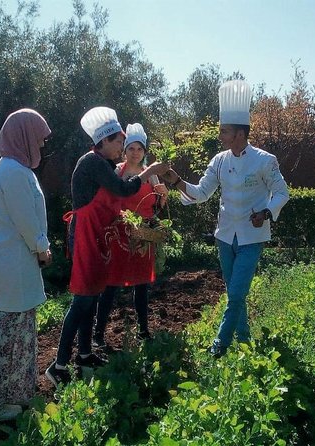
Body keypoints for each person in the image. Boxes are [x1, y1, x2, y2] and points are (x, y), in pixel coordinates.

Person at [162, 80, 290, 358]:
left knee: (234, 295)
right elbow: (202, 193)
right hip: (224, 237)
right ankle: (244, 341)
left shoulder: (264, 161)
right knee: (236, 294)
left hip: (251, 238)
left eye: (225, 131)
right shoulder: (219, 160)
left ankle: (218, 347)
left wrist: (267, 212)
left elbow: (282, 193)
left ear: (240, 133)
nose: (220, 136)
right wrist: (177, 182)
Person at [46, 107, 169, 386]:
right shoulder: (93, 163)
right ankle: (59, 364)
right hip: (87, 235)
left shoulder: (101, 164)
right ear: (103, 141)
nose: (121, 149)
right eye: (118, 143)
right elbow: (124, 190)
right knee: (82, 301)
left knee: (91, 297)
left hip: (99, 236)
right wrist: (149, 171)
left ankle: (86, 353)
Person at [0, 108, 53, 425]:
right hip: (16, 261)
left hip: (16, 262)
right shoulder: (12, 170)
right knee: (12, 333)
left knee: (19, 331)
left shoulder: (15, 168)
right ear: (23, 136)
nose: (41, 144)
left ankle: (16, 397)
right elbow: (25, 220)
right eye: (38, 138)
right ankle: (1, 404)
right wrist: (42, 246)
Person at [93, 123, 168, 347]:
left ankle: (143, 330)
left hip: (144, 235)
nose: (135, 153)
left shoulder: (152, 176)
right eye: (131, 148)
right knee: (111, 283)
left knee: (142, 284)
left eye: (139, 149)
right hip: (121, 234)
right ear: (124, 150)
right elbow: (108, 199)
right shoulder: (117, 172)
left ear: (145, 152)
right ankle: (98, 334)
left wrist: (164, 196)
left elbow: (157, 207)